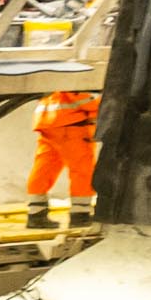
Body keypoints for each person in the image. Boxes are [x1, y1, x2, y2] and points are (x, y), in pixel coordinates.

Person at [28, 89, 99, 230]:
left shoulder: (54, 79)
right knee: (82, 170)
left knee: (44, 168)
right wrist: (105, 106)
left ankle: (36, 214)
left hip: (48, 124)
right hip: (71, 126)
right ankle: (80, 215)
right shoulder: (77, 79)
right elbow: (84, 98)